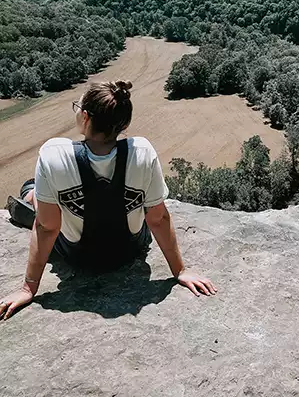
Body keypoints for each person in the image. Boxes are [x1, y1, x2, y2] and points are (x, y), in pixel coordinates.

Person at [0, 80, 216, 320]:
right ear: (124, 123)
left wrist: (28, 288)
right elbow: (158, 218)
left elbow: (47, 227)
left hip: (77, 256)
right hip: (129, 251)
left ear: (84, 116)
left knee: (39, 197)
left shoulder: (53, 155)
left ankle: (29, 196)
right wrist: (180, 271)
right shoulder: (142, 153)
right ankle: (32, 196)